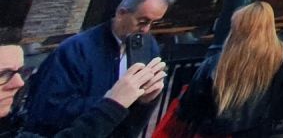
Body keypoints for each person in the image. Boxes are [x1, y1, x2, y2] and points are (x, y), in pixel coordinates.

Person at [24, 0, 174, 138]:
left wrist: (147, 100)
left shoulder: (149, 46)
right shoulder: (75, 49)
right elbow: (47, 110)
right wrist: (114, 101)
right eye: (142, 22)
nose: (146, 30)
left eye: (153, 24)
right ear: (121, 13)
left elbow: (138, 113)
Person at [162, 2, 283, 138]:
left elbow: (191, 103)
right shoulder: (280, 59)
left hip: (215, 129)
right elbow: (282, 99)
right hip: (257, 129)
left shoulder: (216, 62)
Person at [0, 43, 166, 138]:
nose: (19, 83)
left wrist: (140, 103)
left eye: (21, 72)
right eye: (3, 74)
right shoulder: (74, 50)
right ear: (122, 12)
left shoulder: (11, 126)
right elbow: (52, 109)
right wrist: (113, 105)